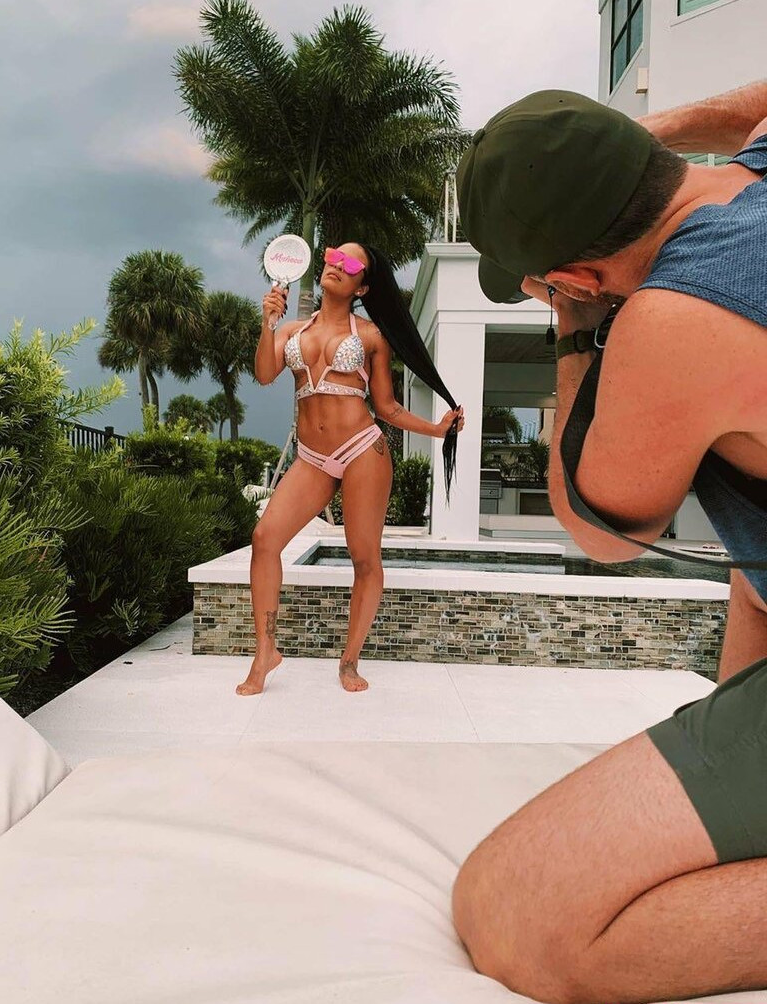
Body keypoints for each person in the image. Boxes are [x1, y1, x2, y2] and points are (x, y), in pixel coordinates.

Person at [450, 81, 767, 1003]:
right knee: (751, 575)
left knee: (516, 916)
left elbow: (603, 530)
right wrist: (651, 132)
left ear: (581, 277)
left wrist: (575, 334)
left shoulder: (674, 318)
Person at [236, 242, 464, 696]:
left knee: (364, 558)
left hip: (362, 450)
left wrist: (437, 431)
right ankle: (265, 652)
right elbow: (263, 374)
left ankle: (350, 660)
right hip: (312, 458)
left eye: (351, 263)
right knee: (264, 539)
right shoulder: (293, 330)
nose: (337, 265)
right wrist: (268, 323)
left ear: (362, 286)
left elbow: (387, 407)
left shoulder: (372, 336)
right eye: (334, 255)